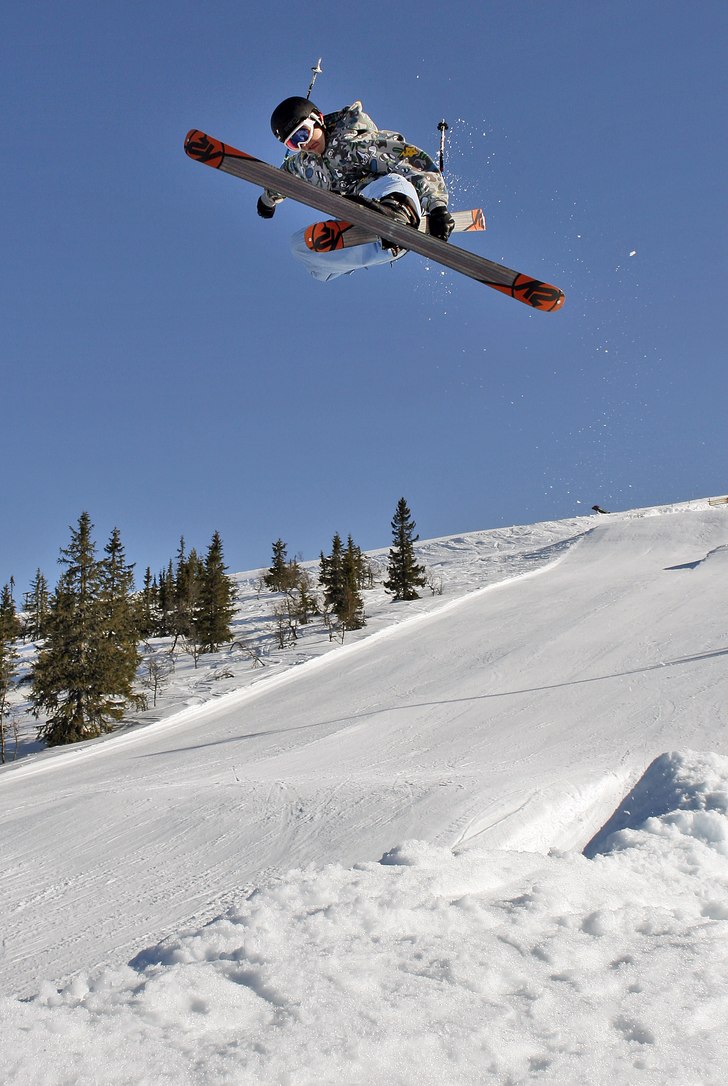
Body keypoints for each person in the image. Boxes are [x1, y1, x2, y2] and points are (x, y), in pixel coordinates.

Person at [257, 96, 455, 282]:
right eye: (293, 143)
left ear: (317, 118)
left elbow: (409, 161)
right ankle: (383, 244)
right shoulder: (305, 164)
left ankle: (397, 215)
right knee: (300, 248)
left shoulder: (353, 139)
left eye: (303, 133)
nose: (304, 144)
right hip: (361, 223)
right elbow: (283, 179)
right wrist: (268, 200)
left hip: (388, 195)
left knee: (393, 180)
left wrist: (437, 206)